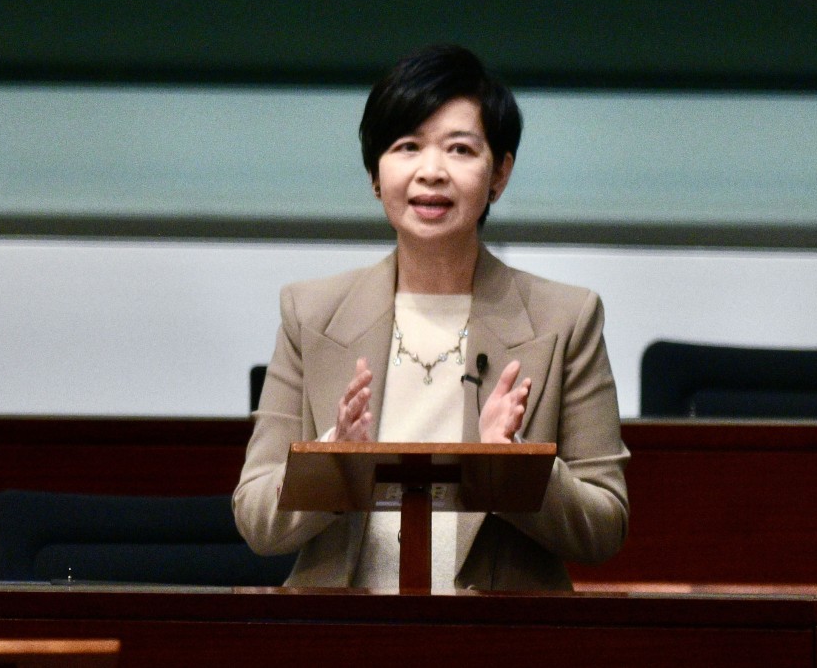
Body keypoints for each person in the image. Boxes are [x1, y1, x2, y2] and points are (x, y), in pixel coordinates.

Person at [233, 44, 629, 591]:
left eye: (460, 149)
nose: (432, 172)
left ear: (500, 174)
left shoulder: (566, 320)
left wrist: (515, 466)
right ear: (376, 174)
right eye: (407, 147)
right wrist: (333, 458)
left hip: (499, 631)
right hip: (341, 629)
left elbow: (605, 527)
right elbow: (255, 517)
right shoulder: (311, 313)